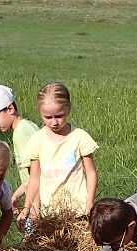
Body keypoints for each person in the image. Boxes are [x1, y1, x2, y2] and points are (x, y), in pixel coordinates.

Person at [18, 83, 98, 227]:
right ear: (40, 112)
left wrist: (90, 201)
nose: (54, 122)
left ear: (69, 109)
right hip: (50, 212)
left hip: (77, 210)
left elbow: (91, 172)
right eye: (48, 117)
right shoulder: (37, 140)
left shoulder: (80, 137)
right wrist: (28, 208)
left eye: (59, 116)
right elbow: (34, 178)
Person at [0, 85, 41, 213]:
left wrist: (32, 208)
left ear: (10, 108)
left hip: (39, 199)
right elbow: (30, 175)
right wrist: (18, 194)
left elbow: (36, 173)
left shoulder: (20, 134)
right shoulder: (28, 126)